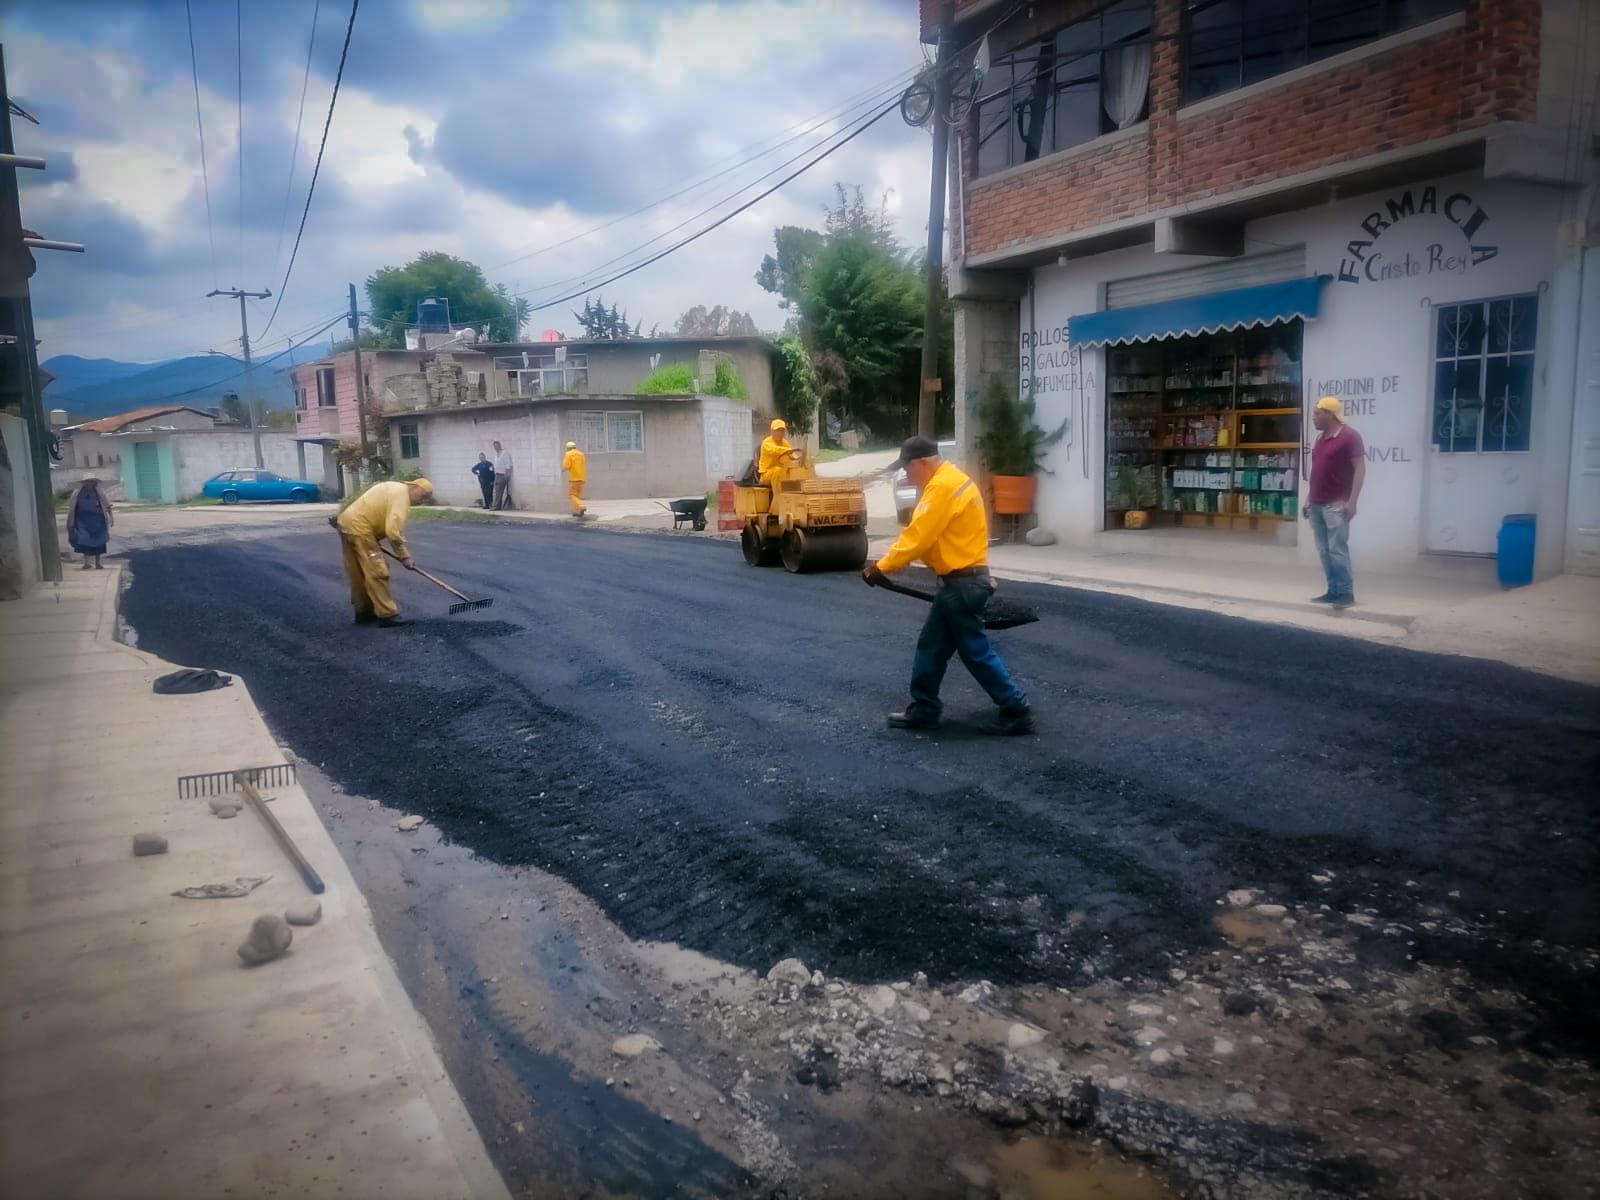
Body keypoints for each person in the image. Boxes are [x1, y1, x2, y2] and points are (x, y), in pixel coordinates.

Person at [863, 436, 1034, 736]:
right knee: (932, 645)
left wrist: (881, 566)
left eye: (908, 467)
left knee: (975, 651)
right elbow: (931, 538)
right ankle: (925, 708)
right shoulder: (952, 480)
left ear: (924, 462)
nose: (906, 473)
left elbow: (919, 536)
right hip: (962, 582)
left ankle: (1015, 708)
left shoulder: (942, 487)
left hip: (963, 585)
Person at [334, 478, 433, 627]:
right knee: (377, 571)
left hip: (347, 524)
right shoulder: (401, 495)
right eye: (423, 495)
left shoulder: (392, 488)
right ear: (414, 486)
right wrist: (404, 556)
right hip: (361, 529)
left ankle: (363, 613)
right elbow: (393, 532)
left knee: (358, 573)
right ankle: (388, 614)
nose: (422, 501)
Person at [1304, 396, 1366, 609]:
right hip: (1317, 504)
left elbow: (1360, 469)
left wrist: (1353, 501)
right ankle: (1333, 590)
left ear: (1330, 414)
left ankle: (1346, 593)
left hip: (1336, 504)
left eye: (1317, 414)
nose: (1314, 419)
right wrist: (1308, 500)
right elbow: (1316, 473)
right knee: (1324, 550)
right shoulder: (1320, 440)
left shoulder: (1350, 437)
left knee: (1337, 549)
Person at [66, 476, 113, 569]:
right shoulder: (77, 493)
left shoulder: (100, 493)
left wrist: (111, 518)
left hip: (98, 521)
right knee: (83, 540)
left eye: (91, 481)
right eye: (87, 481)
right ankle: (86, 562)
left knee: (100, 541)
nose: (89, 483)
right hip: (82, 521)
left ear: (94, 483)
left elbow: (107, 506)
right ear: (83, 483)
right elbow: (72, 508)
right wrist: (71, 520)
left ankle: (98, 563)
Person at [758, 418, 799, 490]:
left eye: (782, 431)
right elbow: (775, 450)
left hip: (781, 473)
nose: (780, 433)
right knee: (778, 470)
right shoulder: (766, 443)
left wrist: (798, 460)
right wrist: (789, 450)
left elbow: (792, 455)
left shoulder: (785, 443)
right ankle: (778, 497)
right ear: (771, 431)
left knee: (795, 470)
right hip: (766, 475)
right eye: (777, 431)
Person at [561, 440, 587, 518]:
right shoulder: (581, 454)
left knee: (571, 495)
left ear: (568, 448)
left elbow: (566, 465)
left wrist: (563, 469)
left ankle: (581, 507)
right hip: (582, 478)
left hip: (574, 478)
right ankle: (578, 512)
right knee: (576, 496)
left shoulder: (568, 454)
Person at [491, 440, 514, 510]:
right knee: (497, 491)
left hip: (503, 474)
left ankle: (495, 506)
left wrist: (507, 475)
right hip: (497, 474)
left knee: (498, 491)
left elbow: (508, 464)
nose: (495, 448)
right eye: (494, 447)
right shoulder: (496, 454)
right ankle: (497, 506)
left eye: (497, 446)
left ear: (500, 446)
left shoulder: (504, 453)